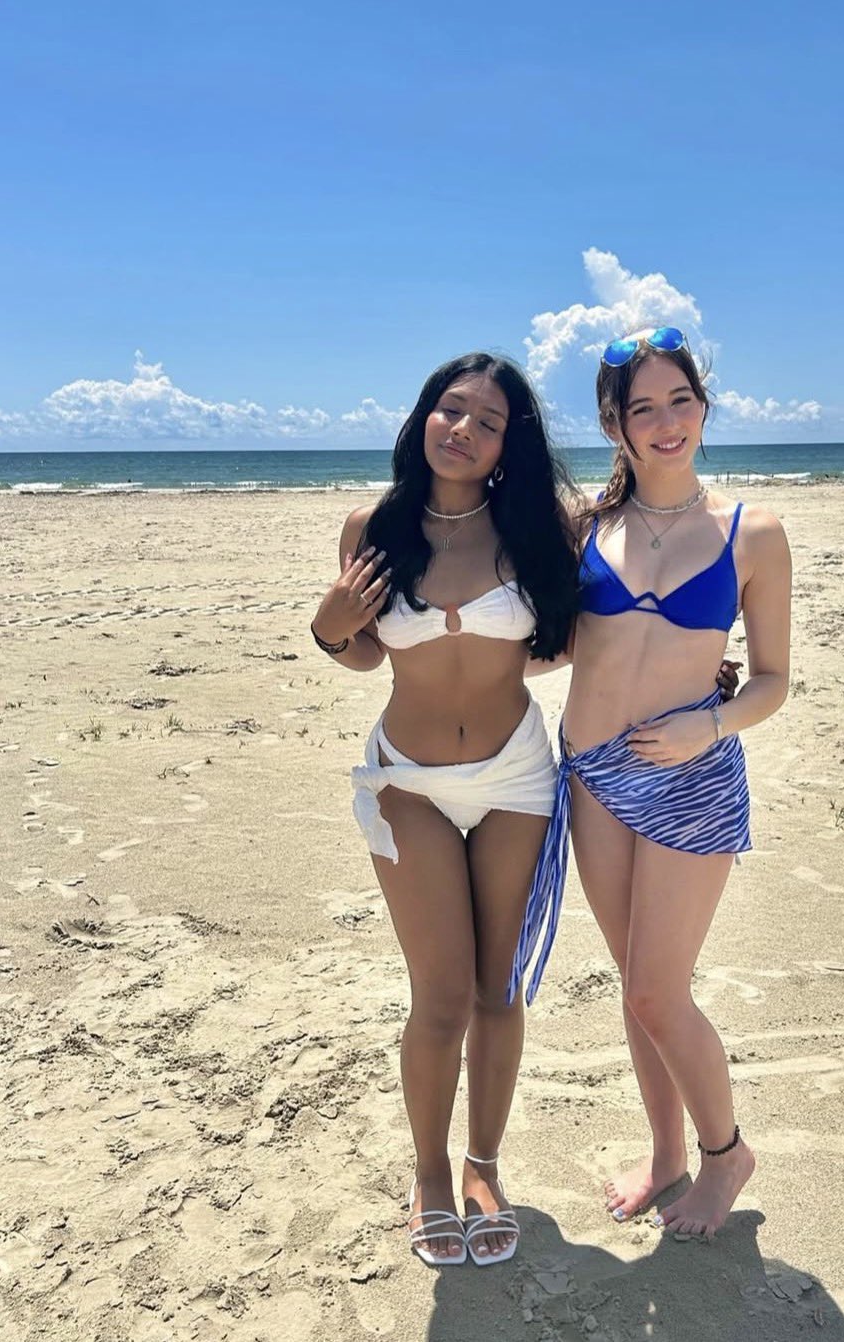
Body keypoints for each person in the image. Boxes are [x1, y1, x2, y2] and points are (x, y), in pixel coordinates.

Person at [519, 326, 792, 1240]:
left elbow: (772, 682)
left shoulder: (753, 533)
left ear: (703, 409)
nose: (666, 421)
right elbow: (553, 645)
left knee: (655, 992)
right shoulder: (587, 529)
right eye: (644, 409)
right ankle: (666, 1156)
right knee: (636, 981)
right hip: (593, 774)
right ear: (616, 426)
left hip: (692, 780)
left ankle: (726, 1156)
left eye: (681, 400)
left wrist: (706, 724)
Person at [310, 353, 579, 1267]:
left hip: (515, 778)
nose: (463, 430)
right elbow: (363, 653)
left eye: (488, 421)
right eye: (450, 409)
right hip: (409, 782)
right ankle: (429, 1175)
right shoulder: (375, 527)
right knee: (440, 996)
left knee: (497, 988)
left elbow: (595, 624)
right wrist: (329, 626)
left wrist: (703, 672)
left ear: (510, 445)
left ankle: (483, 1167)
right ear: (423, 416)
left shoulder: (536, 528)